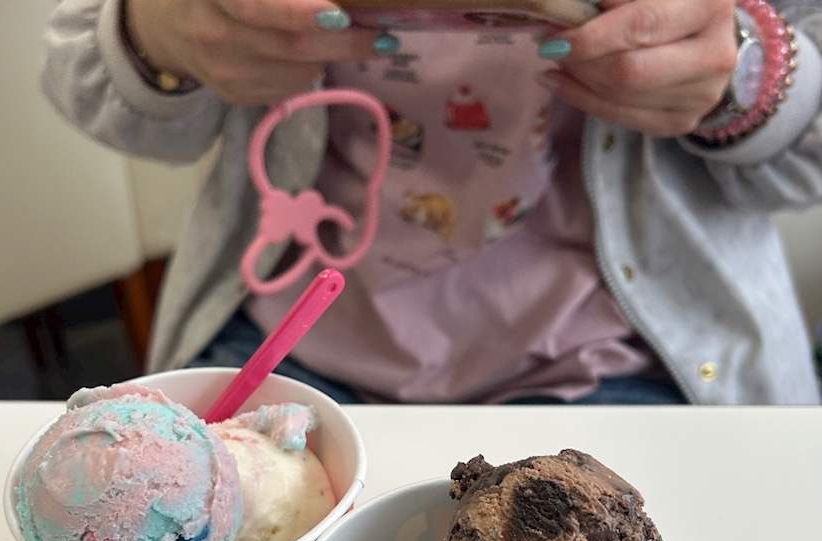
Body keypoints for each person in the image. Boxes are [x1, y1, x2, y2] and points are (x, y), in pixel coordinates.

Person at [42, 0, 822, 404]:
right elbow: (81, 77)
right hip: (288, 336)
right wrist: (161, 30)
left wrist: (742, 75)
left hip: (625, 357)